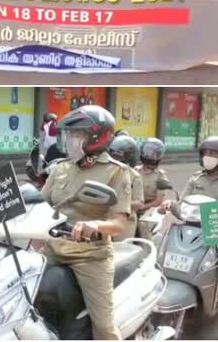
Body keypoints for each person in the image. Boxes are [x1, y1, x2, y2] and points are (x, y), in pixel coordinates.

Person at [40, 105, 131, 340]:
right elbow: (39, 205)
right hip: (53, 250)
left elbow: (120, 223)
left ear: (97, 137)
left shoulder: (115, 171)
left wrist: (96, 226)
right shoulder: (61, 168)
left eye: (76, 134)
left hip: (90, 257)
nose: (70, 140)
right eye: (68, 135)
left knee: (103, 327)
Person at [159, 136, 218, 341]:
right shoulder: (196, 178)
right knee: (160, 256)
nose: (209, 157)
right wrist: (168, 205)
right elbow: (181, 202)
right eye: (206, 153)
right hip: (191, 226)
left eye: (214, 154)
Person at [108, 134, 143, 241]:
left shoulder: (134, 176)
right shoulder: (108, 172)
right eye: (113, 154)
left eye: (118, 155)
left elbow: (139, 203)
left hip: (126, 220)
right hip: (106, 218)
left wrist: (118, 202)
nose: (115, 158)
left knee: (121, 251)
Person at [135, 138, 169, 239]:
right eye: (149, 153)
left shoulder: (160, 176)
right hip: (134, 206)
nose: (152, 157)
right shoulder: (135, 170)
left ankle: (148, 250)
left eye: (156, 154)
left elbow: (159, 201)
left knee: (143, 224)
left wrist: (143, 207)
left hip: (150, 208)